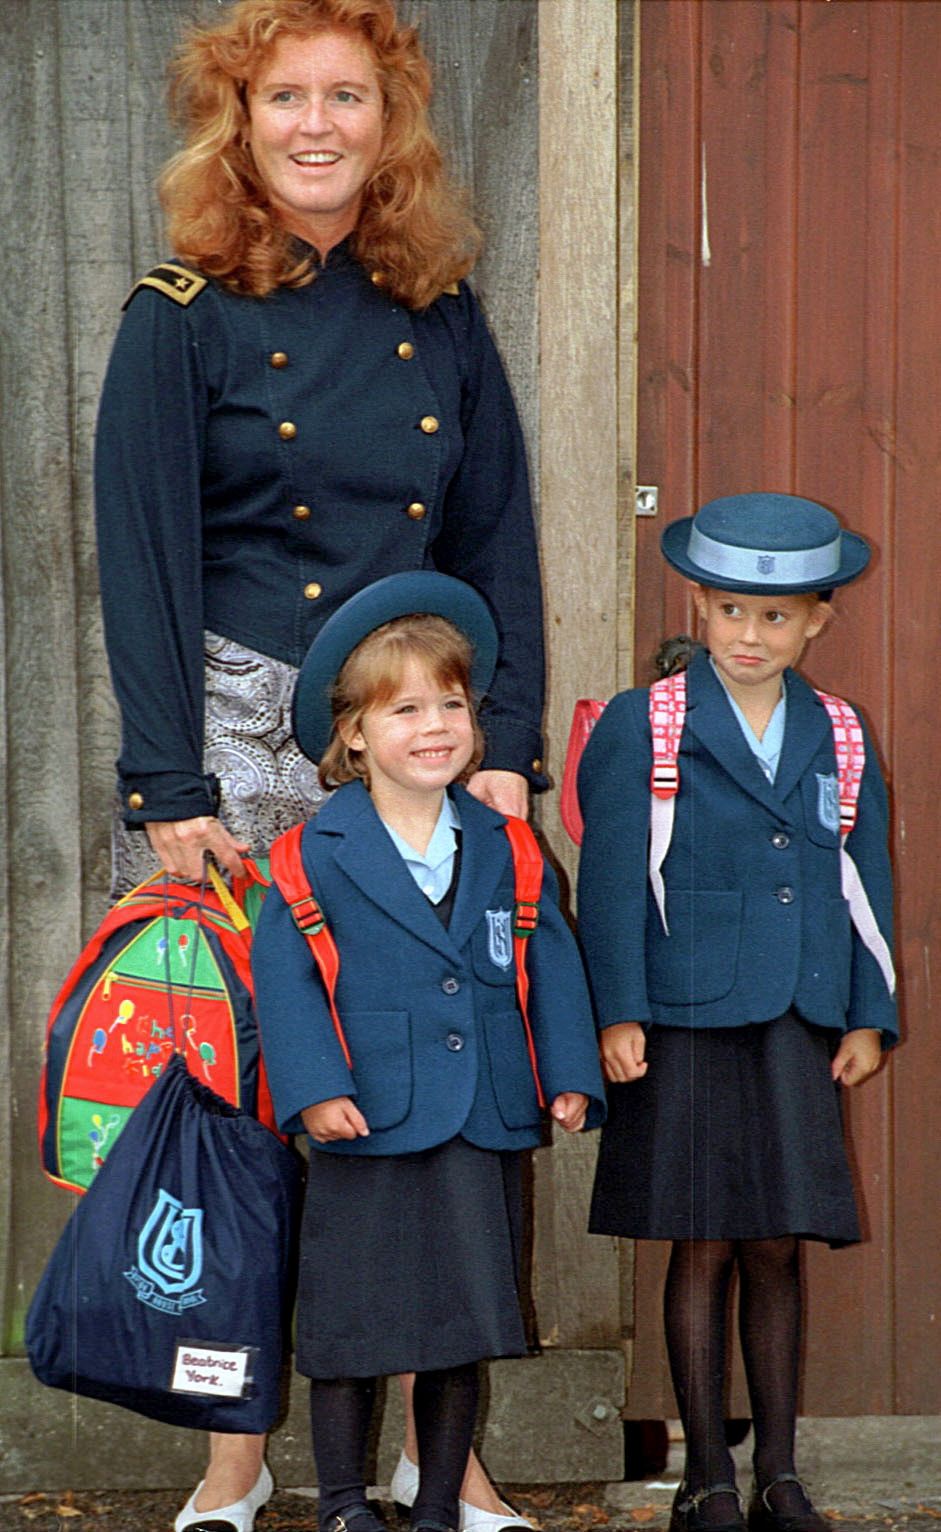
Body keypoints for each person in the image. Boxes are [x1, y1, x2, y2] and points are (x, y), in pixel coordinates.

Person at [93, 2, 546, 1526]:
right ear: (235, 117)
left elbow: (498, 540)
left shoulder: (441, 300)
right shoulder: (183, 308)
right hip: (226, 743)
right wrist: (168, 789)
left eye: (345, 95)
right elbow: (142, 559)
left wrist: (508, 754)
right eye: (283, 94)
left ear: (388, 118)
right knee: (234, 1107)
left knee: (436, 1091)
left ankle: (439, 1448)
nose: (314, 124)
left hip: (410, 743)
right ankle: (235, 1446)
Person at [251, 571, 606, 1532]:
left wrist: (567, 1072)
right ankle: (340, 1505)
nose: (435, 724)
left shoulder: (506, 844)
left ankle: (440, 1503)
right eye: (404, 707)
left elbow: (549, 959)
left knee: (461, 1322)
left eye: (451, 703)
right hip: (366, 1115)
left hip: (484, 1111)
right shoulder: (308, 854)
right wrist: (313, 1089)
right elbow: (284, 984)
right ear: (354, 734)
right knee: (352, 1324)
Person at [577, 494, 898, 1532]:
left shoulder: (839, 732)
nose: (748, 635)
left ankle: (781, 1471)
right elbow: (613, 877)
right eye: (728, 612)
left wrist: (865, 1013)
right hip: (680, 1016)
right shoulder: (648, 720)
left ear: (815, 619)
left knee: (774, 1242)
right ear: (699, 609)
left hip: (797, 1018)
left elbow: (863, 881)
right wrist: (616, 1010)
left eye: (774, 616)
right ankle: (706, 1474)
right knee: (701, 1239)